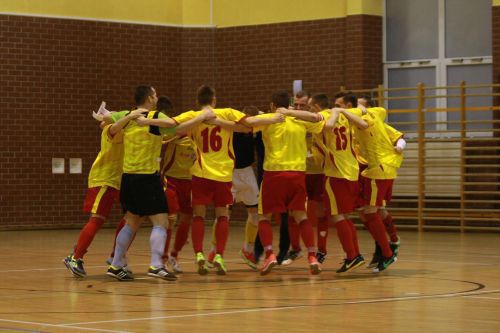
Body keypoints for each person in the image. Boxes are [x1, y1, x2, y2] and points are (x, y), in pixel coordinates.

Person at [144, 85, 283, 275]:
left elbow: (169, 124)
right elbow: (250, 121)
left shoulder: (192, 115)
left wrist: (143, 119)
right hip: (224, 174)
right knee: (223, 216)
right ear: (214, 100)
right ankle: (219, 255)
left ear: (197, 101)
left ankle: (199, 254)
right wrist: (272, 117)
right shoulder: (226, 113)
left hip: (201, 173)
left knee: (199, 216)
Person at [106, 85, 214, 281]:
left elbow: (108, 123)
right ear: (149, 98)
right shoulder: (155, 117)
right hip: (147, 177)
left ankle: (115, 263)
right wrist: (201, 117)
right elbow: (179, 128)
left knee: (132, 221)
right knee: (161, 221)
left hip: (128, 177)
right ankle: (156, 265)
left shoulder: (127, 115)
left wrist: (118, 115)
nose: (156, 97)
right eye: (155, 95)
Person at [278, 93, 366, 273]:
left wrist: (286, 112)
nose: (310, 110)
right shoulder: (344, 114)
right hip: (352, 169)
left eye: (311, 107)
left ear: (317, 107)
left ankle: (352, 256)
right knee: (345, 216)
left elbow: (312, 118)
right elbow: (364, 110)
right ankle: (355, 254)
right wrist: (340, 109)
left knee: (337, 216)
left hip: (336, 172)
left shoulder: (325, 116)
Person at [254, 90, 323, 276]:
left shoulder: (269, 119)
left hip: (273, 174)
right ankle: (312, 256)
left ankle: (269, 254)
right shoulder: (299, 120)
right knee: (301, 216)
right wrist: (292, 113)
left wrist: (261, 116)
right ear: (290, 104)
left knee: (264, 216)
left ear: (272, 105)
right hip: (298, 173)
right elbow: (318, 119)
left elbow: (245, 125)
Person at [62, 111, 135, 278]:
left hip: (118, 180)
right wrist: (129, 116)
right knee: (97, 219)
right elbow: (115, 123)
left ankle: (115, 256)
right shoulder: (112, 129)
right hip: (104, 179)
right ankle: (75, 257)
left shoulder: (126, 132)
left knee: (132, 218)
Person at [336, 92, 400, 273]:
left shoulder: (363, 119)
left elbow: (365, 122)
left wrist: (341, 111)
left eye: (340, 105)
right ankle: (384, 249)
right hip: (370, 169)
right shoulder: (377, 112)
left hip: (378, 167)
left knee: (372, 211)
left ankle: (389, 249)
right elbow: (381, 110)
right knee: (367, 212)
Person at [357, 95, 405, 267]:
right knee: (364, 212)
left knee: (376, 209)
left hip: (376, 167)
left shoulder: (378, 125)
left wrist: (399, 146)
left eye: (359, 105)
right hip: (358, 169)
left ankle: (391, 242)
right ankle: (382, 246)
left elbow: (399, 136)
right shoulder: (353, 123)